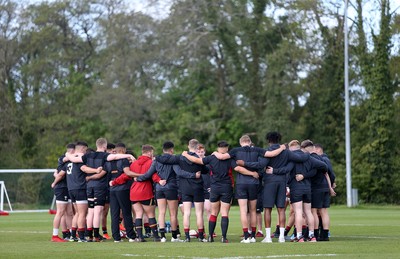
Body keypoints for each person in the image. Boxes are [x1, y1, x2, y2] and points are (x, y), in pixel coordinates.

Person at [212, 135, 285, 243]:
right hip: (254, 183)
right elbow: (272, 154)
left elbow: (222, 157)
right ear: (250, 142)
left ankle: (246, 236)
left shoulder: (236, 150)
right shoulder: (257, 150)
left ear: (241, 142)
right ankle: (253, 237)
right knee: (253, 210)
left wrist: (215, 153)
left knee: (243, 210)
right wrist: (282, 148)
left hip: (241, 183)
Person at [238, 132, 309, 243]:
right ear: (279, 139)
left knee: (268, 209)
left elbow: (260, 165)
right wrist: (308, 153)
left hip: (270, 182)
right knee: (281, 209)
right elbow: (300, 159)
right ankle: (281, 237)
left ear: (268, 140)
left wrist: (245, 163)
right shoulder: (286, 152)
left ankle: (268, 237)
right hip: (282, 182)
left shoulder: (268, 151)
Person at [182, 140, 259, 243]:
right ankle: (223, 237)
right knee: (224, 213)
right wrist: (252, 173)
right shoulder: (229, 159)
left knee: (213, 213)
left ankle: (210, 236)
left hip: (214, 188)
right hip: (226, 187)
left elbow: (197, 161)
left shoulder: (211, 158)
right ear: (226, 148)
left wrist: (185, 154)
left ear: (218, 148)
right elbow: (239, 169)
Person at [65, 138, 135, 242]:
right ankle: (96, 235)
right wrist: (129, 155)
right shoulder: (105, 156)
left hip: (89, 186)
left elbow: (74, 159)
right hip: (100, 186)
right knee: (98, 211)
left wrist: (67, 155)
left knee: (91, 211)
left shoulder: (87, 155)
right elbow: (115, 156)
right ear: (105, 147)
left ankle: (89, 235)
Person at [136, 141, 193, 242]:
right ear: (171, 150)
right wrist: (193, 175)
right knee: (173, 213)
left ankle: (162, 236)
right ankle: (174, 237)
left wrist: (138, 179)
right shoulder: (174, 160)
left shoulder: (156, 160)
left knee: (161, 212)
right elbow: (179, 172)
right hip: (171, 188)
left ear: (163, 150)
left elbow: (148, 174)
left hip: (159, 188)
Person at [113, 144, 162, 242]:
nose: (152, 154)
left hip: (134, 191)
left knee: (138, 214)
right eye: (152, 152)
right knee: (150, 214)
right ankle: (156, 236)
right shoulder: (150, 163)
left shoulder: (134, 163)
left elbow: (125, 175)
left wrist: (114, 182)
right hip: (145, 191)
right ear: (149, 152)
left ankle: (140, 237)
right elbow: (154, 175)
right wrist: (160, 180)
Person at [288, 140, 328, 242]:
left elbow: (286, 171)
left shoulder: (291, 158)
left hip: (296, 188)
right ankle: (312, 236)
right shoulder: (309, 157)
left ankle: (299, 236)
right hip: (307, 188)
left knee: (298, 212)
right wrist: (310, 174)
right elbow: (324, 166)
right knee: (308, 212)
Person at [63, 141, 102, 242]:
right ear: (83, 148)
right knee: (82, 213)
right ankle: (81, 236)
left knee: (77, 213)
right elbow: (84, 169)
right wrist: (96, 170)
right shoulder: (78, 160)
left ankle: (73, 235)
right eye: (85, 150)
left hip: (71, 189)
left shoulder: (68, 160)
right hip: (80, 188)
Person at [106, 143, 137, 242]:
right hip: (123, 189)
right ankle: (131, 236)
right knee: (126, 212)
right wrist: (140, 174)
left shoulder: (109, 161)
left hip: (112, 189)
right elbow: (127, 173)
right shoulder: (124, 160)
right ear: (124, 150)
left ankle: (116, 237)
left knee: (114, 213)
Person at [50, 143, 76, 242]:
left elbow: (56, 172)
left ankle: (70, 234)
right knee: (60, 212)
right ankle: (55, 236)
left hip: (68, 188)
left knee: (69, 212)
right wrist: (54, 182)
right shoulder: (64, 158)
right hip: (61, 188)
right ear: (71, 151)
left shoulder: (70, 160)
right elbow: (59, 174)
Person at [312, 143, 336, 241]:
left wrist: (332, 183)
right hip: (325, 187)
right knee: (323, 211)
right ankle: (325, 234)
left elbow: (330, 173)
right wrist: (330, 185)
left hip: (318, 187)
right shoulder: (325, 159)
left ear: (317, 150)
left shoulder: (322, 159)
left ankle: (316, 234)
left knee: (314, 210)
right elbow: (330, 174)